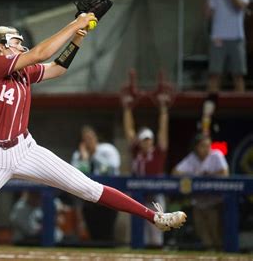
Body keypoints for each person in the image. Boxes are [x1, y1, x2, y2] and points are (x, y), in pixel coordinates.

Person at [0, 14, 186, 260]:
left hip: (25, 149)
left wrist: (77, 40)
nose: (20, 45)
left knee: (88, 188)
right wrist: (75, 23)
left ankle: (155, 218)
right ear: (1, 46)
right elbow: (39, 54)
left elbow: (57, 68)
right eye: (15, 41)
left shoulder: (21, 72)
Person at [122, 94, 169, 247]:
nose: (147, 143)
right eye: (144, 140)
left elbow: (163, 131)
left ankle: (157, 251)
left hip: (155, 193)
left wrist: (163, 110)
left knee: (157, 229)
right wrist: (127, 109)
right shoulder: (136, 151)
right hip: (138, 194)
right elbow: (129, 130)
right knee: (137, 230)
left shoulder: (158, 152)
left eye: (149, 140)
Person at [172, 134, 229, 250]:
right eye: (203, 146)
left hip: (215, 202)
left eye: (208, 146)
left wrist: (210, 175)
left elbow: (225, 173)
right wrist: (194, 176)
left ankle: (220, 252)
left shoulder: (216, 155)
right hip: (198, 202)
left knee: (216, 232)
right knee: (201, 231)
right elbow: (175, 172)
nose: (206, 148)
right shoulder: (192, 158)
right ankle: (210, 254)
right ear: (196, 147)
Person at [70, 125, 120, 244]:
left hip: (108, 197)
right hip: (89, 200)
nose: (89, 141)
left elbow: (111, 169)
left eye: (91, 137)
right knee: (94, 234)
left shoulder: (107, 150)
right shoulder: (79, 155)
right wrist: (85, 159)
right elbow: (74, 175)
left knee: (108, 233)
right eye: (85, 138)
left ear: (96, 137)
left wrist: (93, 156)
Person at [207, 0, 251, 92]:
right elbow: (208, 13)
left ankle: (240, 105)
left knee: (238, 75)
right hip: (218, 37)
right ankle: (211, 105)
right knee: (214, 75)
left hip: (237, 38)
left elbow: (241, 6)